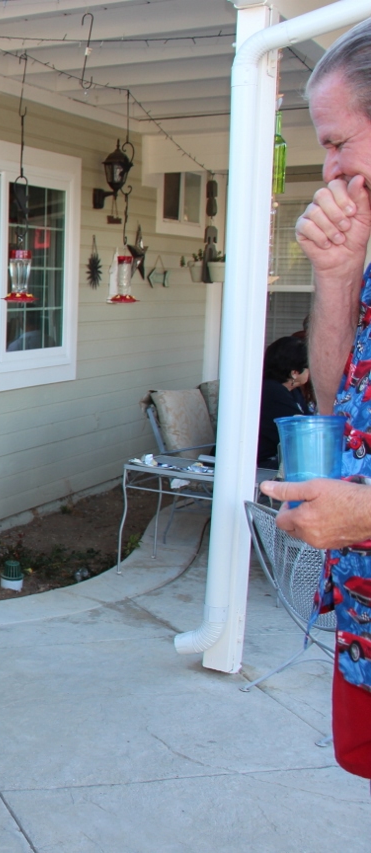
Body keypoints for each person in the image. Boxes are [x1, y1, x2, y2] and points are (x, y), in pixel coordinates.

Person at [260, 18, 371, 781]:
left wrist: (361, 515)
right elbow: (339, 408)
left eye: (336, 143)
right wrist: (336, 273)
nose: (327, 169)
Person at [257, 336, 309, 467]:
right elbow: (300, 433)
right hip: (256, 463)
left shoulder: (292, 390)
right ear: (295, 372)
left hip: (275, 459)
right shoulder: (272, 391)